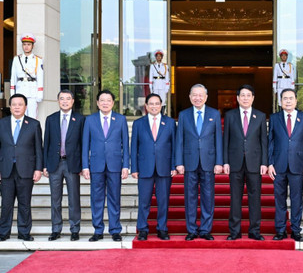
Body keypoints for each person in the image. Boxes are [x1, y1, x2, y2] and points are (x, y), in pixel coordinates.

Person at [175, 84, 223, 241]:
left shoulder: (214, 114)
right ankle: (191, 229)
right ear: (189, 97)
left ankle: (205, 229)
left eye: (200, 95)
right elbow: (179, 140)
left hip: (209, 162)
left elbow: (218, 140)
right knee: (190, 197)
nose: (197, 98)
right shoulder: (183, 115)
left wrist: (219, 162)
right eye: (194, 95)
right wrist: (179, 162)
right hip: (189, 162)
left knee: (208, 197)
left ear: (206, 97)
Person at [0, 94, 43, 241]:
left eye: (20, 104)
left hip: (26, 169)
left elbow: (39, 148)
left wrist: (38, 168)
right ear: (10, 106)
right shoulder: (1, 124)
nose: (17, 107)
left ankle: (24, 232)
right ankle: (3, 232)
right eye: (14, 104)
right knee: (6, 203)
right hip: (5, 169)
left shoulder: (33, 124)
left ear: (25, 107)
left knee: (25, 203)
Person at [81, 90, 129, 242]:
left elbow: (125, 145)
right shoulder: (90, 120)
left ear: (113, 103)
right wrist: (85, 166)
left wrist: (126, 165)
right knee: (97, 198)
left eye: (108, 100)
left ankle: (115, 230)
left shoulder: (120, 119)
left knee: (114, 198)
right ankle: (98, 230)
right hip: (96, 165)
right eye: (102, 100)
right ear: (97, 103)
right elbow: (85, 144)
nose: (105, 103)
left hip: (115, 165)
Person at [222, 84, 268, 241]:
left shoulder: (260, 116)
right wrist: (225, 162)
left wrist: (264, 163)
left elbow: (263, 142)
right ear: (237, 98)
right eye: (242, 95)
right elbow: (225, 141)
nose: (245, 98)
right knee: (235, 198)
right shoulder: (230, 116)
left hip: (254, 163)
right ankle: (234, 231)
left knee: (255, 198)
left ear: (253, 98)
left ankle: (254, 230)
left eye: (248, 95)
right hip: (235, 163)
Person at [268, 88, 303, 242]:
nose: (288, 101)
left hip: (297, 165)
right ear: (280, 102)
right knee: (279, 199)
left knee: (296, 200)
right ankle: (280, 230)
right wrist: (270, 163)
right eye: (285, 98)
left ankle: (295, 230)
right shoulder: (274, 118)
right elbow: (271, 142)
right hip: (278, 165)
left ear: (296, 100)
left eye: (290, 98)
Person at [131, 93, 176, 241]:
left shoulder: (169, 123)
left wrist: (174, 165)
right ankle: (142, 229)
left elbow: (175, 146)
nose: (154, 106)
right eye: (151, 104)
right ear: (146, 106)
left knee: (163, 201)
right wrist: (134, 168)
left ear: (161, 105)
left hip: (164, 167)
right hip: (145, 168)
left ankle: (162, 228)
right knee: (144, 201)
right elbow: (134, 147)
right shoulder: (139, 123)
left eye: (157, 104)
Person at [43, 89, 84, 241]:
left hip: (72, 164)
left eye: (68, 98)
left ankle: (75, 229)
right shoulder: (51, 119)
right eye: (62, 99)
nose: (65, 101)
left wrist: (82, 164)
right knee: (55, 199)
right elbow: (46, 142)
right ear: (58, 101)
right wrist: (45, 165)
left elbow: (82, 143)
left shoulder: (80, 119)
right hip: (55, 164)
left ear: (73, 101)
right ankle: (56, 229)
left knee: (74, 198)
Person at [10, 33, 44, 119]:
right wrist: (12, 92)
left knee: (32, 116)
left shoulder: (38, 60)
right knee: (19, 115)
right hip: (20, 89)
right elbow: (13, 77)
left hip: (32, 92)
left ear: (33, 46)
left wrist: (40, 93)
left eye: (29, 44)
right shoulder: (17, 59)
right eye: (24, 44)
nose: (26, 47)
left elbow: (40, 77)